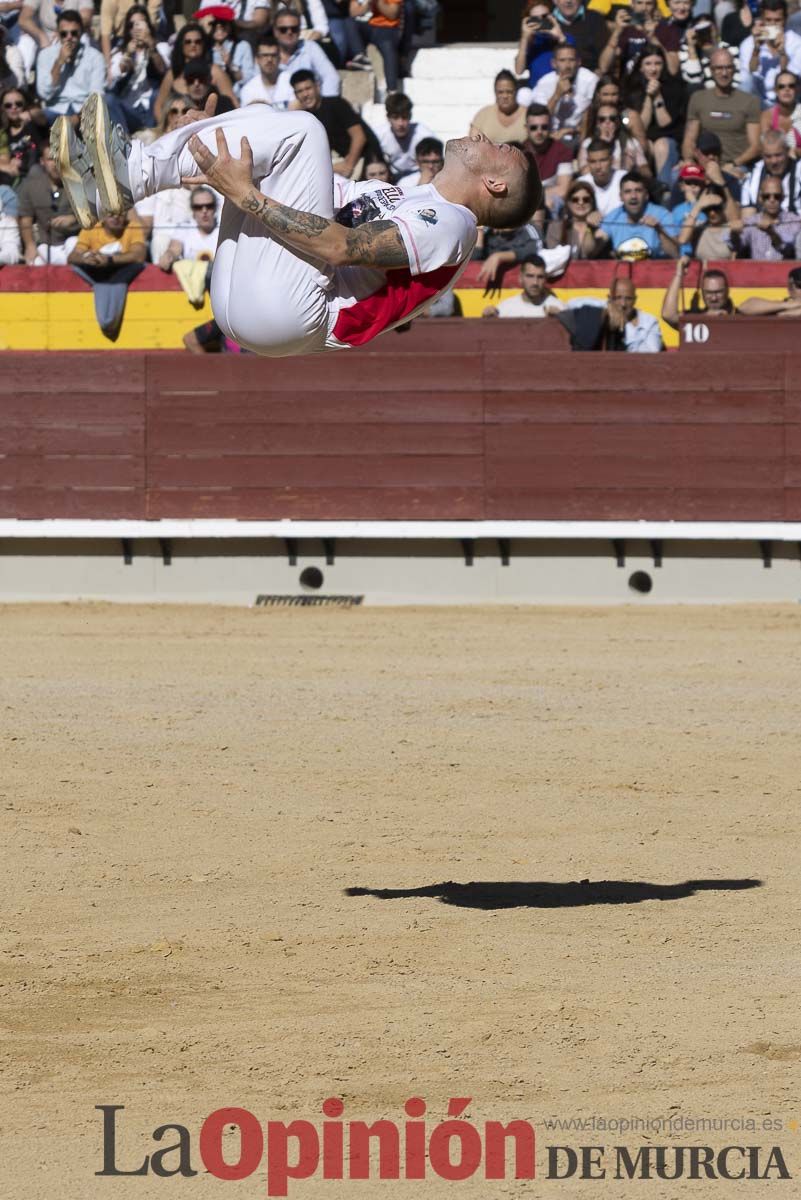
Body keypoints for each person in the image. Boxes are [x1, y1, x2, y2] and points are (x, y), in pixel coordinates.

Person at [60, 93, 541, 356]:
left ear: (495, 186)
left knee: (306, 128)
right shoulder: (414, 196)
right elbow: (311, 194)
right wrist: (207, 143)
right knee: (258, 115)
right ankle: (115, 182)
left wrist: (243, 193)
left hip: (301, 313)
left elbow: (339, 246)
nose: (482, 135)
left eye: (501, 148)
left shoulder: (454, 226)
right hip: (258, 305)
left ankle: (135, 172)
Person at [67, 209, 147, 339]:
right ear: (102, 217)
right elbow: (73, 257)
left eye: (120, 214)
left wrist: (109, 260)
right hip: (99, 274)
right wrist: (85, 259)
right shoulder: (91, 228)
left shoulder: (132, 226)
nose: (116, 218)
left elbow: (139, 256)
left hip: (121, 274)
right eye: (111, 214)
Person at [682, 49, 762, 176]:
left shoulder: (750, 101)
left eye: (728, 68)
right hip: (704, 164)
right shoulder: (698, 98)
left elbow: (756, 146)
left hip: (737, 165)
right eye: (719, 68)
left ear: (734, 69)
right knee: (677, 175)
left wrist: (733, 164)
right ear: (711, 70)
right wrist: (688, 160)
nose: (724, 73)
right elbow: (690, 139)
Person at [291, 67, 382, 177]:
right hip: (341, 162)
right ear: (295, 95)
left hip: (366, 161)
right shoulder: (306, 116)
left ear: (317, 87)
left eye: (308, 88)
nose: (305, 94)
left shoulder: (336, 104)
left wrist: (349, 165)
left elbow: (359, 136)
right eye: (300, 91)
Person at [624, 43, 686, 184]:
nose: (653, 69)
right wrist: (648, 97)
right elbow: (642, 127)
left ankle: (663, 188)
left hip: (668, 141)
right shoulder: (632, 89)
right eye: (648, 64)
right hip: (645, 141)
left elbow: (665, 124)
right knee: (643, 145)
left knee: (661, 145)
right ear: (640, 67)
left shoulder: (674, 88)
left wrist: (657, 96)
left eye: (658, 63)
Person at [104, 5, 169, 134]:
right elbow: (110, 81)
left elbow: (164, 70)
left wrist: (151, 45)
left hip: (152, 108)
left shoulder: (161, 46)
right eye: (132, 25)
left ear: (148, 26)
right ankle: (124, 145)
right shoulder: (120, 52)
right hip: (129, 110)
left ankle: (152, 138)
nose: (136, 29)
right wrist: (127, 55)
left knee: (156, 94)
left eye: (140, 24)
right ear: (128, 29)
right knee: (108, 98)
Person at [154, 23, 236, 124]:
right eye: (188, 42)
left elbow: (233, 104)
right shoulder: (173, 73)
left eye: (198, 41)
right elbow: (158, 106)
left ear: (203, 44)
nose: (193, 45)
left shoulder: (215, 71)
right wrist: (167, 130)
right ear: (181, 45)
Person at [35, 10, 105, 123]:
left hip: (84, 112)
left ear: (81, 33)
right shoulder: (45, 55)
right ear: (58, 34)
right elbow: (44, 94)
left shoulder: (95, 56)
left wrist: (77, 118)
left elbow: (96, 96)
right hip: (56, 109)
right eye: (64, 34)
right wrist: (58, 63)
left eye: (74, 33)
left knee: (108, 104)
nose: (69, 37)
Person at [17, 139, 79, 262]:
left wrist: (73, 219)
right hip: (45, 244)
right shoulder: (31, 186)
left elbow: (95, 215)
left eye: (59, 158)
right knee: (36, 262)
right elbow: (25, 220)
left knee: (74, 247)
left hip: (74, 242)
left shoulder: (79, 184)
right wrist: (30, 245)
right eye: (51, 159)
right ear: (42, 162)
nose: (55, 163)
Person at [565, 276, 663, 351]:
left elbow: (651, 354)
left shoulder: (649, 322)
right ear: (610, 298)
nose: (623, 304)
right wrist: (607, 308)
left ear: (635, 300)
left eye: (628, 298)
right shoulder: (606, 306)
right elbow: (570, 304)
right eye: (618, 298)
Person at [272, 5, 340, 105]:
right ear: (275, 31)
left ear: (300, 31)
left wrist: (324, 107)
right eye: (283, 29)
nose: (289, 32)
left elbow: (331, 77)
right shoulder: (268, 54)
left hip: (309, 110)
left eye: (294, 29)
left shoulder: (310, 47)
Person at [601, 169, 677, 257]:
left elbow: (675, 254)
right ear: (621, 197)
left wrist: (659, 230)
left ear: (646, 195)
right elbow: (588, 252)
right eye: (628, 191)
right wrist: (589, 228)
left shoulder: (662, 215)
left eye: (638, 190)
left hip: (654, 269)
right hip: (623, 269)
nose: (633, 196)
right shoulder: (613, 217)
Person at [531, 43, 598, 142]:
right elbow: (539, 117)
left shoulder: (590, 80)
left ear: (579, 62)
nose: (567, 66)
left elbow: (595, 115)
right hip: (550, 136)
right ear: (553, 63)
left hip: (580, 136)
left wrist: (570, 131)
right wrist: (557, 95)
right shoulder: (544, 83)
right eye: (562, 60)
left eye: (571, 60)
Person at [739, 0, 801, 107]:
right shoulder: (748, 43)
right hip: (759, 101)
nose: (772, 25)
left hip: (787, 102)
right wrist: (756, 50)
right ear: (762, 20)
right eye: (768, 20)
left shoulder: (796, 42)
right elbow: (747, 78)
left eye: (777, 20)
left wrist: (782, 53)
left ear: (785, 20)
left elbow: (791, 82)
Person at [729, 174, 801, 257]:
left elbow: (789, 250)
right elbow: (737, 247)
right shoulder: (752, 221)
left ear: (783, 198)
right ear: (760, 198)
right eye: (766, 196)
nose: (772, 200)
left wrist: (772, 233)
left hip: (783, 269)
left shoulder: (794, 221)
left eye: (777, 196)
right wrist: (734, 233)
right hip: (757, 269)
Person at [520, 101, 573, 211]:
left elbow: (563, 189)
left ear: (550, 127)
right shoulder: (518, 152)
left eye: (544, 127)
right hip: (524, 204)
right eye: (534, 127)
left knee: (552, 201)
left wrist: (538, 196)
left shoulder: (562, 151)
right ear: (526, 129)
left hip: (551, 204)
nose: (539, 132)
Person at [515, 0, 574, 93]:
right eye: (535, 18)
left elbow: (573, 63)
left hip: (561, 91)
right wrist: (525, 38)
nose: (541, 21)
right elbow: (519, 70)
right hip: (538, 94)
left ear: (552, 16)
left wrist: (560, 38)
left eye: (544, 17)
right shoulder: (530, 43)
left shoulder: (566, 38)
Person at [661, 254, 736, 328]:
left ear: (727, 291)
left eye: (718, 292)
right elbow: (668, 315)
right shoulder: (695, 320)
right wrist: (679, 274)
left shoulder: (738, 316)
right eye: (708, 293)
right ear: (702, 293)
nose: (714, 298)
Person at [158, 182, 219, 268]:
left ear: (215, 208)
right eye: (198, 207)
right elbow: (174, 249)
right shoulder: (184, 228)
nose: (204, 211)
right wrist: (169, 255)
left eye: (209, 206)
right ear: (192, 210)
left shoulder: (223, 229)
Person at [482, 255, 564, 318]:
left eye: (540, 277)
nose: (535, 282)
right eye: (530, 276)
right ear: (520, 278)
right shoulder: (505, 308)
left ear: (545, 279)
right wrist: (487, 320)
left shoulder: (559, 308)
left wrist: (560, 320)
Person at [374, 91, 434, 178]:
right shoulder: (379, 135)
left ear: (410, 116)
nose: (400, 123)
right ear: (388, 118)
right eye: (395, 118)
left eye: (404, 117)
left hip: (418, 176)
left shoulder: (424, 135)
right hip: (390, 177)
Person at [740, 128, 801, 212]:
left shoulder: (799, 170)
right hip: (761, 223)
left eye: (778, 155)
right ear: (762, 155)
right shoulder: (753, 175)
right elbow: (747, 213)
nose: (774, 161)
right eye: (768, 156)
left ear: (787, 151)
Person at [577, 101, 649, 172]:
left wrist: (633, 164)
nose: (607, 122)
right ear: (597, 124)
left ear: (618, 122)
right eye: (602, 119)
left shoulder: (630, 143)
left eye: (612, 119)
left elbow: (646, 172)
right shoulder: (588, 143)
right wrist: (604, 144)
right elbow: (584, 171)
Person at [546, 178, 608, 256]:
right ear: (568, 203)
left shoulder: (602, 226)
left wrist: (590, 227)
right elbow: (554, 257)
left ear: (592, 202)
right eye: (575, 199)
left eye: (586, 199)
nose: (581, 202)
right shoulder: (556, 228)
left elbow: (588, 253)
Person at [348, 0, 401, 91]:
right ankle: (361, 57)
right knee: (349, 22)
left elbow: (392, 14)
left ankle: (392, 91)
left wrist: (378, 2)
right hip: (366, 26)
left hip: (386, 27)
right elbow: (353, 12)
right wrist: (368, 4)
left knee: (388, 48)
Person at [674, 181, 737, 257]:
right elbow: (682, 240)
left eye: (716, 208)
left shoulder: (730, 229)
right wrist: (697, 206)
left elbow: (739, 224)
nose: (712, 213)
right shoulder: (698, 230)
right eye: (708, 208)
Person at [0, 86, 47, 186]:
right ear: (3, 109)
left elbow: (41, 117)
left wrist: (31, 113)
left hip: (39, 175)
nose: (14, 107)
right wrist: (8, 165)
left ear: (25, 105)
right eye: (8, 105)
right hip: (16, 180)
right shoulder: (4, 134)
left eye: (19, 104)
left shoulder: (33, 124)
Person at [469, 69, 528, 145]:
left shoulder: (528, 115)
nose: (505, 96)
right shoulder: (483, 115)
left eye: (509, 92)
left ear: (516, 91)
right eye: (500, 92)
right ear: (495, 92)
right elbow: (472, 145)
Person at [551, 0, 609, 71]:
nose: (568, 1)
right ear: (555, 1)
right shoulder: (548, 21)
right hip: (556, 75)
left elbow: (605, 57)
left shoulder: (595, 18)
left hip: (590, 74)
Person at [575, 139, 626, 216]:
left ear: (612, 160)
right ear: (588, 162)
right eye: (593, 161)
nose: (598, 166)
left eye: (603, 160)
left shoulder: (624, 179)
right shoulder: (581, 184)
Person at [759, 69, 801, 147]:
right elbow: (767, 147)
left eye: (791, 86)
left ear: (797, 89)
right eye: (781, 86)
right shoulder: (767, 116)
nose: (787, 89)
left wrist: (797, 152)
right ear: (776, 90)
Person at [239, 36, 281, 107]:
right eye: (265, 55)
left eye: (273, 55)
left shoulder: (290, 81)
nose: (269, 59)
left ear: (279, 58)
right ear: (257, 59)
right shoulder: (248, 90)